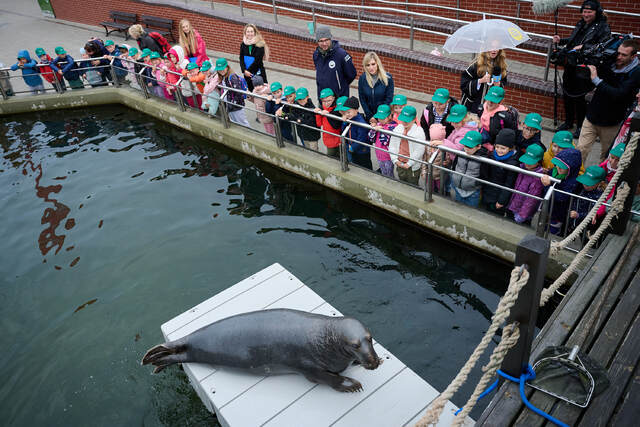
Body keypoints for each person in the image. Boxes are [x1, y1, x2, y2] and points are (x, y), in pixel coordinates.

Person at [552, 0, 611, 137]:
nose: (586, 14)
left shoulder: (603, 27)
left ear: (597, 12)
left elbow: (603, 46)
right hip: (571, 63)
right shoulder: (581, 23)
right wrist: (561, 40)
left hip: (584, 66)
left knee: (578, 97)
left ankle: (580, 126)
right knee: (567, 94)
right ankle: (568, 122)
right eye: (584, 11)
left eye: (589, 11)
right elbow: (574, 41)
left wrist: (584, 48)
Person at [577, 39, 640, 162]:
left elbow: (619, 93)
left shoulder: (636, 72)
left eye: (624, 55)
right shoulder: (608, 60)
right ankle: (575, 178)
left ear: (633, 56)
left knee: (607, 156)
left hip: (612, 122)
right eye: (618, 53)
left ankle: (600, 181)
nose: (619, 57)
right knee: (580, 150)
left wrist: (596, 80)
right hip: (592, 117)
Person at [541, 148, 583, 235]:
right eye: (557, 164)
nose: (558, 168)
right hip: (546, 209)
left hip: (558, 215)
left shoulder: (573, 182)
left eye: (562, 167)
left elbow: (561, 197)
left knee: (550, 234)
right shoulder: (554, 171)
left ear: (571, 168)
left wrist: (547, 185)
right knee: (541, 228)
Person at [481, 128, 519, 215]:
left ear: (510, 148)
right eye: (497, 147)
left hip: (499, 198)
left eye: (503, 148)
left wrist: (501, 201)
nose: (499, 150)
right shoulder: (491, 155)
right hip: (487, 192)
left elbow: (509, 184)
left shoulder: (512, 164)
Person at [313, 26, 357, 100]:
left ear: (330, 39)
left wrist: (341, 87)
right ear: (317, 41)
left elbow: (351, 74)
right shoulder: (316, 55)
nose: (324, 43)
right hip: (323, 100)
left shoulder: (341, 54)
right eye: (321, 41)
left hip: (339, 100)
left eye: (326, 40)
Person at [460, 49, 508, 115]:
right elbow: (464, 84)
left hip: (491, 106)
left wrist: (498, 85)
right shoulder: (476, 65)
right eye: (491, 47)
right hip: (474, 105)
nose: (494, 50)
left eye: (496, 47)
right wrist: (480, 81)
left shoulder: (501, 66)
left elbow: (503, 84)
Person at [508, 144, 546, 225]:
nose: (527, 163)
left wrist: (522, 215)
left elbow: (531, 199)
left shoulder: (538, 177)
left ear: (539, 161)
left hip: (523, 215)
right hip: (514, 206)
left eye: (531, 162)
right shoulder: (522, 167)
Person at [388, 105, 426, 185]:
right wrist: (395, 159)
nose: (404, 122)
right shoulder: (398, 128)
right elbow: (392, 145)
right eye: (403, 119)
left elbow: (419, 150)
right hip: (400, 162)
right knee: (402, 182)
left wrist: (409, 164)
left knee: (413, 184)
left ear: (414, 119)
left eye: (407, 120)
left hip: (412, 166)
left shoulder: (419, 132)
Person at [450, 130, 488, 207]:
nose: (466, 149)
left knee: (471, 212)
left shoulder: (483, 159)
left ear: (478, 146)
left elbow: (485, 175)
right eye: (465, 145)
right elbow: (454, 165)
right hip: (458, 188)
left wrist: (476, 185)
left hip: (472, 192)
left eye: (470, 147)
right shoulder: (461, 152)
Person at [568, 165, 607, 234]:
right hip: (571, 222)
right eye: (585, 181)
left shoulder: (600, 196)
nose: (585, 185)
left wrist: (578, 215)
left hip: (586, 228)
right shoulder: (580, 186)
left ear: (599, 183)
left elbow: (594, 213)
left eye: (589, 183)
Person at [358, 51, 394, 123]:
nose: (371, 67)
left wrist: (378, 116)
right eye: (368, 65)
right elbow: (362, 99)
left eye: (373, 64)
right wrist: (370, 116)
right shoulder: (362, 78)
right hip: (370, 118)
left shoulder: (388, 78)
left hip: (383, 117)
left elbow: (389, 99)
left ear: (377, 63)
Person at [336, 96, 371, 169]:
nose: (347, 114)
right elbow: (344, 131)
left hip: (362, 150)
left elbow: (362, 139)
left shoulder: (361, 123)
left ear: (356, 110)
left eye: (349, 112)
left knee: (365, 166)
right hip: (353, 148)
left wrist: (353, 147)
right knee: (356, 165)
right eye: (345, 112)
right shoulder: (350, 118)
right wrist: (344, 123)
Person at [215, 58, 249, 126]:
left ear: (227, 67)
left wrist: (233, 103)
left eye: (223, 68)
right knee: (235, 122)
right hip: (230, 105)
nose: (221, 70)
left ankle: (251, 135)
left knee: (243, 123)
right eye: (219, 69)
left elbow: (239, 93)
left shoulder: (232, 77)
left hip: (236, 106)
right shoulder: (223, 77)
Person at [368, 104, 398, 178]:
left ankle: (391, 185)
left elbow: (384, 141)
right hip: (379, 154)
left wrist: (382, 129)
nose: (380, 120)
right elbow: (370, 138)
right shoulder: (378, 124)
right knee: (383, 172)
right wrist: (374, 129)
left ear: (389, 116)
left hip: (388, 156)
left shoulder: (393, 126)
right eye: (379, 118)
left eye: (383, 118)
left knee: (389, 174)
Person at [314, 88, 343, 158]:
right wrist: (318, 113)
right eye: (324, 101)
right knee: (332, 157)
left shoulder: (338, 108)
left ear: (334, 98)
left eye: (329, 100)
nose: (326, 103)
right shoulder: (323, 109)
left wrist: (329, 115)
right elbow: (319, 124)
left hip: (338, 140)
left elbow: (337, 125)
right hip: (328, 140)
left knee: (338, 157)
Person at [240, 24, 269, 92]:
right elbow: (241, 58)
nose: (250, 34)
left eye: (251, 31)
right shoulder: (243, 44)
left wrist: (248, 71)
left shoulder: (260, 44)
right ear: (245, 33)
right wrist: (244, 70)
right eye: (248, 31)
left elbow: (257, 60)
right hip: (247, 73)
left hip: (257, 72)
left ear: (255, 33)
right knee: (252, 90)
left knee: (262, 91)